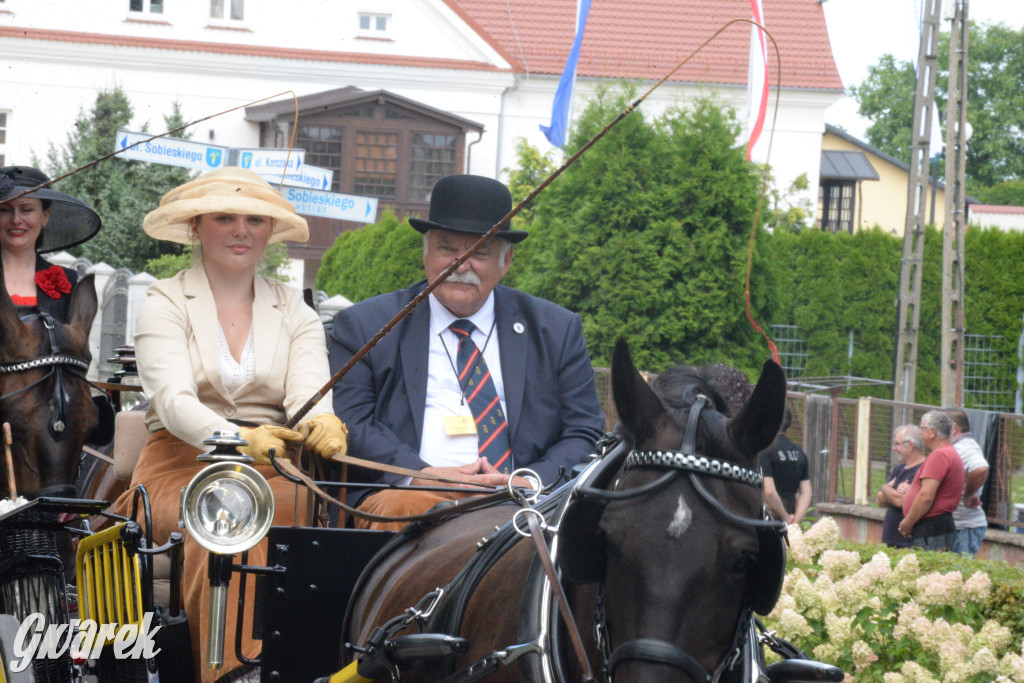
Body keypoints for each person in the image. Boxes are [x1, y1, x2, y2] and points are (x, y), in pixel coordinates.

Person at [113, 167, 348, 683]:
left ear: (270, 232)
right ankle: (235, 673)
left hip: (275, 468)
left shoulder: (296, 309)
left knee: (331, 520)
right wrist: (237, 438)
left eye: (255, 220)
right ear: (197, 227)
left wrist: (324, 420)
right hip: (181, 463)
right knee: (229, 517)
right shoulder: (165, 300)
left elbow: (308, 394)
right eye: (225, 217)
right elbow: (173, 400)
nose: (241, 230)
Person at [328, 174, 605, 531]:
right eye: (447, 248)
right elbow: (351, 420)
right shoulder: (368, 326)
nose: (461, 265)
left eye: (480, 252)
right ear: (426, 253)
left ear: (505, 261)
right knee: (399, 506)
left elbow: (584, 430)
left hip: (520, 501)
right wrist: (420, 475)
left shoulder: (555, 330)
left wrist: (530, 479)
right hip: (411, 500)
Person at [0, 165, 100, 320]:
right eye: (5, 210)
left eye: (26, 210)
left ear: (45, 216)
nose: (16, 220)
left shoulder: (67, 280)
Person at [898, 410, 966, 551]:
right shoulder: (949, 452)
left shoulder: (940, 455)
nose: (920, 433)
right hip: (937, 527)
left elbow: (926, 496)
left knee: (929, 571)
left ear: (932, 431)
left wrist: (908, 522)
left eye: (922, 428)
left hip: (931, 528)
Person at [945, 408, 989, 556]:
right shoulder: (959, 446)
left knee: (959, 575)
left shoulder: (964, 446)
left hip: (965, 528)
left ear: (954, 428)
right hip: (959, 526)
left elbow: (981, 468)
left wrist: (968, 493)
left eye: (940, 426)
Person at [758, 406, 812, 524]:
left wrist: (784, 517)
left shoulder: (765, 450)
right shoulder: (799, 452)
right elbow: (806, 492)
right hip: (791, 514)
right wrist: (795, 520)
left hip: (768, 518)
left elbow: (769, 491)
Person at [877, 425, 926, 548]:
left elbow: (901, 501)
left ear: (910, 445)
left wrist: (886, 488)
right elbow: (880, 500)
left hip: (909, 541)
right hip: (892, 539)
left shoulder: (923, 469)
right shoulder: (899, 469)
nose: (894, 448)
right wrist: (893, 491)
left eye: (897, 444)